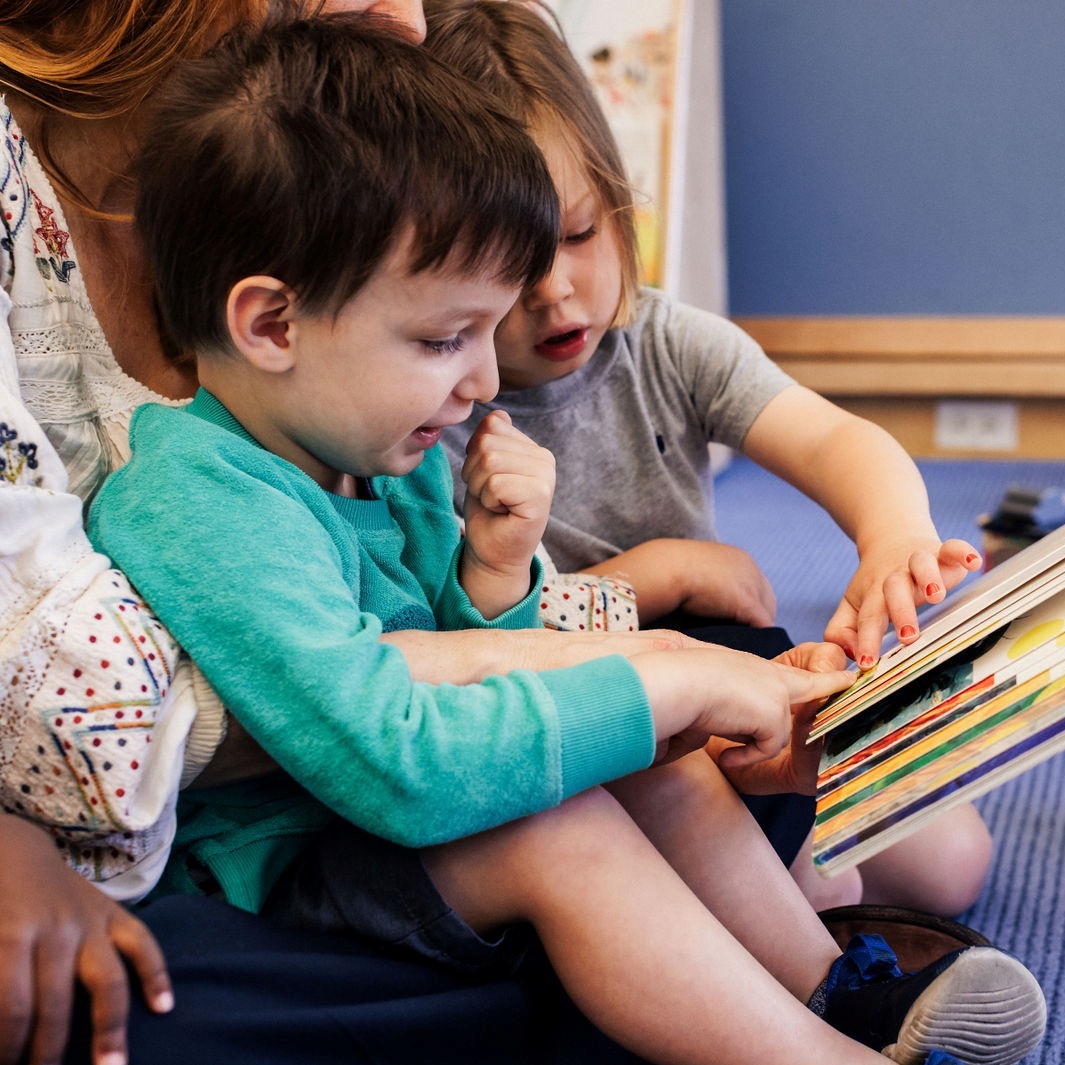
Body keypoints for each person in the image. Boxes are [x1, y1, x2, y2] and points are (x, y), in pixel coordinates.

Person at [85, 16, 1047, 1065]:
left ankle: (829, 989)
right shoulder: (201, 500)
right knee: (565, 810)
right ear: (271, 326)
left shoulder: (377, 455)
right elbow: (394, 757)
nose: (483, 383)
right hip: (289, 879)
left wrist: (500, 569)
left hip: (380, 833)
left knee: (630, 738)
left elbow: (502, 649)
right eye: (445, 339)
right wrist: (670, 686)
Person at [429, 0, 994, 917]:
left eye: (575, 234)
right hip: (594, 721)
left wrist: (891, 531)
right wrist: (660, 575)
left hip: (734, 668)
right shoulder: (432, 406)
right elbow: (469, 631)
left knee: (949, 865)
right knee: (815, 884)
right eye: (506, 264)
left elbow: (833, 438)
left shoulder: (666, 341)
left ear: (618, 203)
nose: (555, 290)